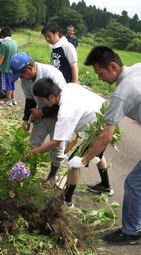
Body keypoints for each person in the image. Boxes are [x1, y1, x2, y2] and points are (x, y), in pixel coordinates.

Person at [68, 46, 141, 245]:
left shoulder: (120, 95)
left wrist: (83, 160)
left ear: (113, 66)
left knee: (134, 183)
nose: (100, 79)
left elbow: (105, 137)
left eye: (100, 74)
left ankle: (130, 233)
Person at [30, 77, 113, 213]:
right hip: (108, 118)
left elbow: (56, 143)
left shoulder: (65, 111)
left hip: (100, 130)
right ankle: (105, 186)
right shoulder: (69, 87)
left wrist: (31, 153)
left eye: (42, 100)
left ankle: (67, 201)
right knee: (97, 154)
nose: (41, 103)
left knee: (75, 162)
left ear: (51, 97)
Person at [9, 52, 66, 190]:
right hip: (40, 115)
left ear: (29, 69)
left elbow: (63, 103)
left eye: (21, 74)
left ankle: (52, 176)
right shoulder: (26, 80)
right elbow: (29, 99)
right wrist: (25, 119)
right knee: (33, 144)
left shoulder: (52, 74)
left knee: (57, 148)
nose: (21, 78)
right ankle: (29, 173)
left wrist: (43, 111)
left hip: (59, 116)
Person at [0, 27, 18, 106]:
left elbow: (1, 58)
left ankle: (8, 100)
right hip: (13, 69)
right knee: (12, 84)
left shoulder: (4, 44)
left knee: (7, 85)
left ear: (3, 36)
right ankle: (13, 99)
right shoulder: (15, 43)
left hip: (6, 69)